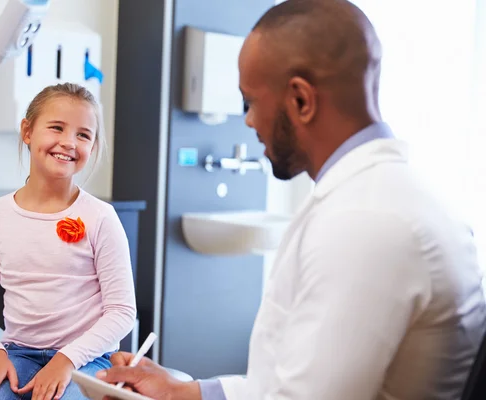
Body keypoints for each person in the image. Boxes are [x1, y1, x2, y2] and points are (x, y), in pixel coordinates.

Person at [96, 0, 486, 399]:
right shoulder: (387, 196)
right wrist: (187, 392)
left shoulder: (367, 222)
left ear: (301, 100)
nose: (248, 121)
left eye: (251, 102)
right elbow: (293, 384)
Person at [0, 83, 137, 400]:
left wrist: (66, 360)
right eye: (57, 127)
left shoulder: (101, 218)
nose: (69, 142)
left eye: (83, 135)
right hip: (19, 354)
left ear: (93, 146)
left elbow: (122, 311)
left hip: (86, 359)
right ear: (27, 131)